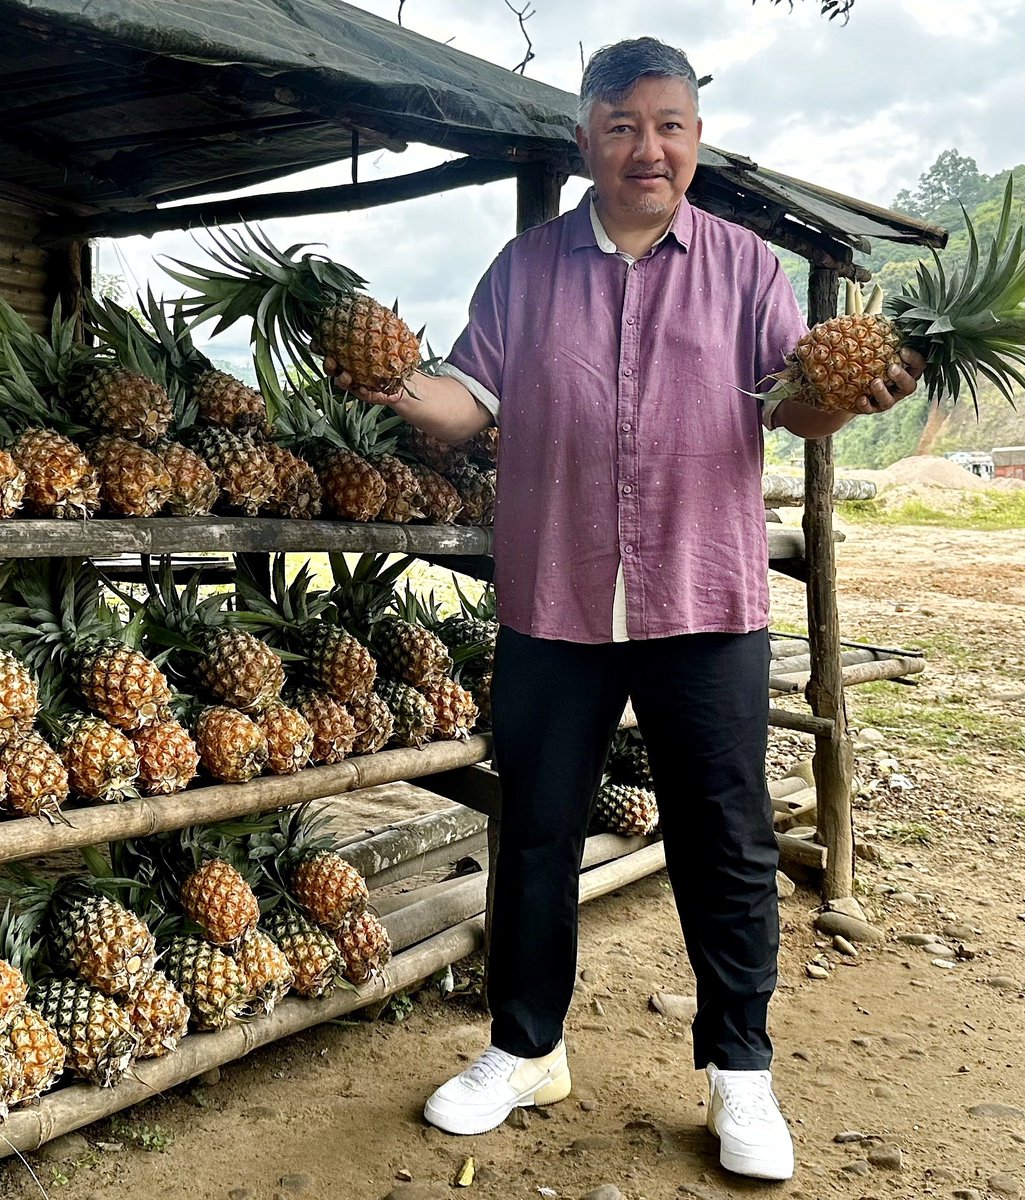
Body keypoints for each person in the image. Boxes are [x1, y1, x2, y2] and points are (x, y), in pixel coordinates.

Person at [324, 36, 921, 1183]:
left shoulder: (747, 268)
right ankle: (524, 1046)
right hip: (556, 595)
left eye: (669, 126)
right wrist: (395, 383)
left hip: (702, 596)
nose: (647, 149)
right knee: (537, 828)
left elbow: (793, 408)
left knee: (726, 838)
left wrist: (848, 395)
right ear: (584, 136)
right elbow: (464, 403)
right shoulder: (524, 269)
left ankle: (738, 1070)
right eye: (621, 126)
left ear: (694, 137)